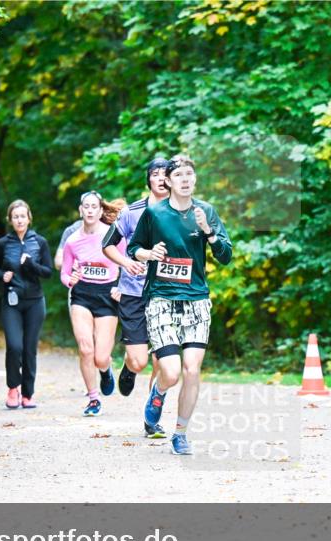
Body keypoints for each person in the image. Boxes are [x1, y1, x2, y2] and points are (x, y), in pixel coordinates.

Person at [127, 155, 233, 455]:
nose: (185, 179)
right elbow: (134, 248)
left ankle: (181, 433)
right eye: (179, 175)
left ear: (194, 179)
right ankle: (158, 392)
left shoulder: (205, 211)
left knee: (192, 370)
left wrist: (209, 232)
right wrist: (149, 254)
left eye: (190, 174)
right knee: (171, 372)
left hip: (196, 300)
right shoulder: (154, 213)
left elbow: (225, 256)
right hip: (161, 299)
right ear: (168, 181)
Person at [101, 157, 171, 438]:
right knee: (140, 361)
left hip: (167, 294)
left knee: (163, 361)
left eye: (166, 174)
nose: (161, 178)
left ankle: (152, 418)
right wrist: (126, 263)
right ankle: (129, 368)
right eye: (156, 174)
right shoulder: (131, 212)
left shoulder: (181, 211)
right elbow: (107, 244)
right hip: (133, 293)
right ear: (149, 179)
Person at [61, 192, 126, 417]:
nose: (89, 210)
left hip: (107, 295)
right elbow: (65, 272)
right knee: (85, 348)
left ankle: (106, 370)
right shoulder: (72, 240)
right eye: (86, 206)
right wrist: (69, 280)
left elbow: (128, 263)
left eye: (93, 207)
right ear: (81, 210)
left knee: (100, 357)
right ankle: (93, 398)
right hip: (82, 295)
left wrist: (122, 287)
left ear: (100, 211)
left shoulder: (113, 235)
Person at [0, 199, 54, 409]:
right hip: (12, 302)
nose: (19, 220)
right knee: (14, 346)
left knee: (29, 349)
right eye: (15, 217)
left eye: (22, 216)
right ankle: (13, 387)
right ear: (10, 219)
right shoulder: (3, 243)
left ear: (29, 218)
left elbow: (48, 272)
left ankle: (28, 394)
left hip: (35, 302)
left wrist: (30, 264)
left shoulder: (40, 242)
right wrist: (2, 276)